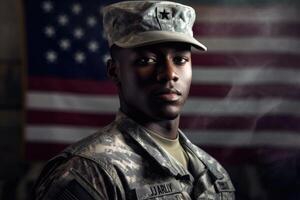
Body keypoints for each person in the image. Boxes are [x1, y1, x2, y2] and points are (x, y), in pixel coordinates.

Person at [33, 1, 235, 199]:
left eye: (180, 60)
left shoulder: (213, 173)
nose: (169, 74)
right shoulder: (87, 174)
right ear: (114, 71)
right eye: (147, 60)